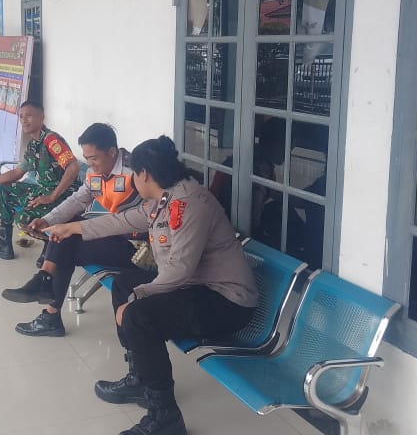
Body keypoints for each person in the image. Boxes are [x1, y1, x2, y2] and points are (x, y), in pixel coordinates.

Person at [43, 136, 257, 435]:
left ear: (143, 173)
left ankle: (164, 416)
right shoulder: (164, 199)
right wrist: (71, 227)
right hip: (197, 286)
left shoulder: (190, 203)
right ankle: (140, 379)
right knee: (123, 283)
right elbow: (120, 221)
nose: (132, 178)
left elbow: (179, 270)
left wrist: (138, 297)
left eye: (133, 173)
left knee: (137, 315)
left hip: (226, 301)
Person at [6, 123, 144, 338]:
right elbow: (78, 200)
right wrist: (47, 220)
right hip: (115, 237)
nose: (89, 164)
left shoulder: (135, 171)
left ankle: (47, 297)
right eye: (86, 158)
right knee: (65, 238)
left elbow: (145, 217)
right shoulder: (95, 173)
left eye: (94, 158)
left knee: (65, 244)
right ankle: (46, 291)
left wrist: (69, 227)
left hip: (140, 250)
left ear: (112, 152)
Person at [0, 102, 80, 260]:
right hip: (45, 191)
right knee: (7, 188)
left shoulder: (51, 140)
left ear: (41, 117)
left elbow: (73, 167)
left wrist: (52, 196)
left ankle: (52, 249)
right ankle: (3, 243)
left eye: (29, 115)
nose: (24, 120)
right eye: (21, 116)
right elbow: (17, 173)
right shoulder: (34, 144)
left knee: (23, 219)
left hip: (65, 195)